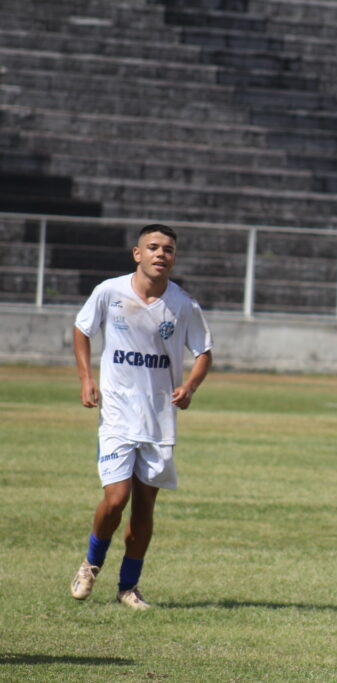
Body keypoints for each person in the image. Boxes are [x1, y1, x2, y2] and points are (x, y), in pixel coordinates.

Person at [70, 224, 213, 609]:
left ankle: (128, 588)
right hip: (117, 413)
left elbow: (204, 353)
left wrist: (191, 387)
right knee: (115, 500)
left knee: (144, 509)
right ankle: (90, 563)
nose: (160, 254)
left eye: (168, 249)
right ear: (137, 254)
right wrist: (86, 378)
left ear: (174, 257)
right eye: (152, 247)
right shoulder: (109, 292)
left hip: (158, 420)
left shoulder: (183, 305)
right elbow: (82, 330)